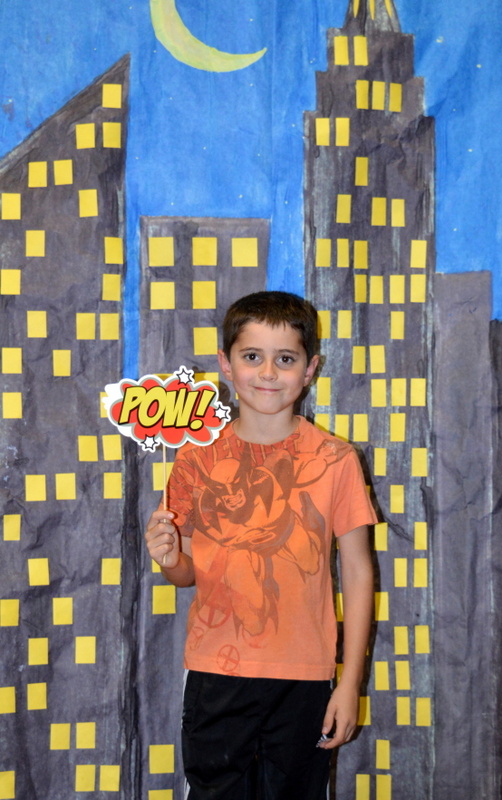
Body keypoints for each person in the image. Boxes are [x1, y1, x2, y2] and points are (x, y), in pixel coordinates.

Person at [144, 290, 377, 800]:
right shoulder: (195, 459)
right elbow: (186, 574)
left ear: (310, 369)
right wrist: (170, 558)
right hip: (216, 673)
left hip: (305, 677)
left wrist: (349, 682)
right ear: (226, 364)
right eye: (252, 356)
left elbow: (359, 572)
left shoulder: (335, 460)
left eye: (285, 359)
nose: (268, 372)